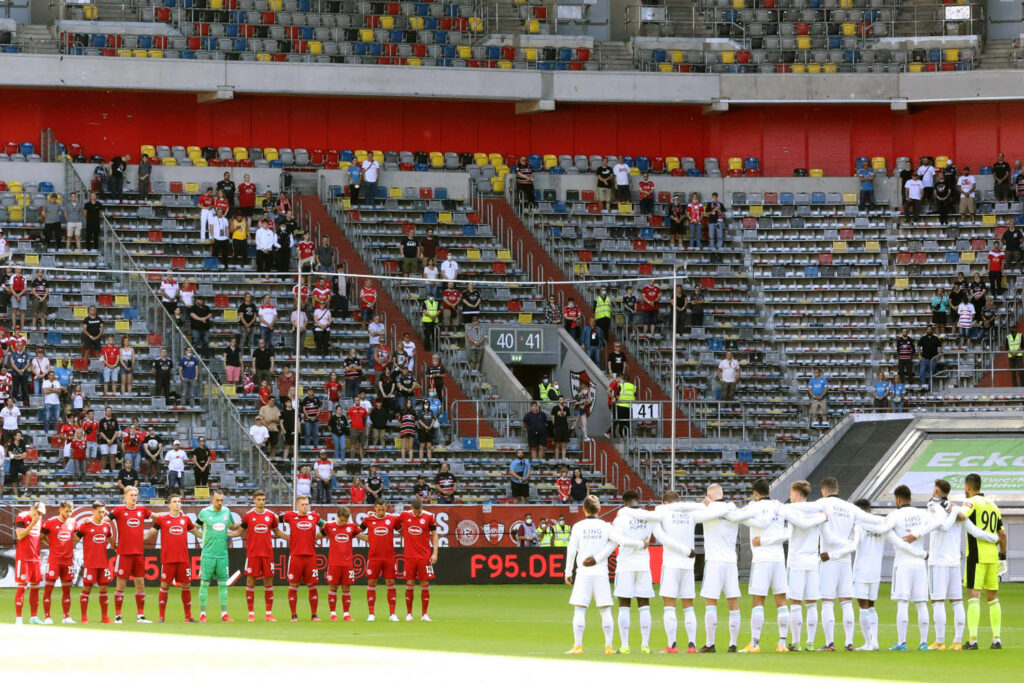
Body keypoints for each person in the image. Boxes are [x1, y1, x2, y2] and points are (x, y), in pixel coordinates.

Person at [563, 494, 646, 655]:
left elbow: (571, 550)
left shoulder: (578, 526)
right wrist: (640, 544)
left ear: (583, 509)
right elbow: (620, 540)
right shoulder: (606, 526)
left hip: (583, 572)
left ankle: (578, 646)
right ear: (599, 509)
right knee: (605, 609)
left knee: (580, 609)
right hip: (601, 573)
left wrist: (568, 572)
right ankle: (608, 646)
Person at [924, 479, 996, 651]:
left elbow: (942, 525)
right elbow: (975, 531)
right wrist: (994, 538)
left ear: (935, 490)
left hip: (938, 560)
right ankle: (957, 642)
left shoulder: (935, 506)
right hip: (955, 562)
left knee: (937, 601)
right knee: (957, 602)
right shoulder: (957, 509)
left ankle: (940, 641)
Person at [881, 485, 938, 651]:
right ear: (910, 498)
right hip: (920, 565)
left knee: (903, 603)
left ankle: (902, 642)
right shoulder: (922, 514)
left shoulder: (894, 515)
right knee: (921, 603)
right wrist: (918, 533)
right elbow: (937, 523)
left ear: (898, 499)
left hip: (903, 563)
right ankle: (924, 642)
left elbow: (885, 529)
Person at [774, 480, 827, 651]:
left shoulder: (790, 511)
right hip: (813, 561)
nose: (790, 497)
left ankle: (796, 642)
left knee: (796, 603)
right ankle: (810, 642)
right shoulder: (817, 511)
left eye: (791, 494)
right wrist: (822, 517)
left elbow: (800, 523)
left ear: (796, 493)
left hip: (796, 561)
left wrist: (780, 506)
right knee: (811, 603)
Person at [960, 473, 1007, 650]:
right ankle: (997, 639)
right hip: (993, 556)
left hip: (976, 555)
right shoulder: (993, 505)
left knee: (973, 595)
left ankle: (972, 640)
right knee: (993, 597)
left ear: (968, 487)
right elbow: (1002, 534)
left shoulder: (971, 502)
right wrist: (1003, 556)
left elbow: (962, 516)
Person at [147, 494, 200, 623]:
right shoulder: (162, 520)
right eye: (174, 502)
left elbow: (196, 533)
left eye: (179, 501)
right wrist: (135, 539)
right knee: (164, 586)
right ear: (169, 505)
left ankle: (188, 616)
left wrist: (211, 536)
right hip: (168, 559)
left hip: (183, 559)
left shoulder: (186, 520)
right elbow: (150, 534)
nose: (177, 503)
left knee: (186, 586)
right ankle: (161, 616)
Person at [242, 490, 289, 621]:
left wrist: (291, 538)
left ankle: (268, 613)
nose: (262, 502)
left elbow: (277, 532)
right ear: (254, 500)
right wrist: (225, 533)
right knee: (250, 582)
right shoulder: (248, 516)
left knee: (268, 583)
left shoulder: (270, 516)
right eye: (259, 499)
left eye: (263, 499)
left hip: (267, 554)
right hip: (253, 554)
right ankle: (251, 613)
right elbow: (239, 530)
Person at [109, 486, 154, 623]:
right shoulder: (118, 510)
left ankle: (140, 616)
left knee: (140, 583)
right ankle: (118, 616)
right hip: (124, 553)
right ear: (125, 496)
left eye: (136, 495)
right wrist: (91, 519)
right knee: (121, 584)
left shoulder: (142, 510)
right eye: (131, 495)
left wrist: (173, 512)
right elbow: (105, 520)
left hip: (138, 553)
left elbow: (157, 518)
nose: (134, 497)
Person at [278, 495, 321, 622]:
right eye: (303, 504)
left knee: (313, 585)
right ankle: (294, 614)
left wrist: (315, 537)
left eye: (307, 504)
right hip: (296, 556)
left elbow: (326, 527)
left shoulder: (314, 516)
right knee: (293, 585)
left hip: (311, 557)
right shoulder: (290, 516)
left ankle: (314, 614)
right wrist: (286, 537)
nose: (305, 506)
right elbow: (272, 521)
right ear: (297, 505)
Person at [322, 505, 365, 622]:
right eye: (341, 520)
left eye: (345, 520)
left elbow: (362, 536)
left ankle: (346, 614)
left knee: (346, 588)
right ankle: (333, 614)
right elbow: (318, 535)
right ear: (337, 517)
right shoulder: (329, 526)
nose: (343, 522)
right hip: (334, 563)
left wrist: (375, 540)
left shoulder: (351, 527)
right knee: (333, 587)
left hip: (348, 564)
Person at [360, 499, 400, 621]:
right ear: (374, 508)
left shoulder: (393, 519)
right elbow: (356, 532)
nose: (381, 512)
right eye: (379, 509)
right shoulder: (368, 520)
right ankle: (371, 613)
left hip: (389, 557)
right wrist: (369, 539)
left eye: (383, 509)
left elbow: (402, 531)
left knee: (390, 583)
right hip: (374, 557)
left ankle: (392, 614)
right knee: (371, 583)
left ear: (386, 507)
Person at [399, 496, 439, 621]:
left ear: (422, 507)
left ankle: (424, 614)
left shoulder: (429, 516)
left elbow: (435, 534)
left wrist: (435, 553)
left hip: (424, 556)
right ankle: (409, 614)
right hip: (410, 556)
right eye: (415, 512)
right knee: (409, 583)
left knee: (425, 583)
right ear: (411, 508)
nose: (417, 514)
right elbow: (389, 518)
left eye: (419, 511)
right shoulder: (405, 515)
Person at [76, 501, 114, 623]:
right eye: (99, 512)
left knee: (104, 590)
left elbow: (110, 538)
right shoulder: (85, 525)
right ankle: (84, 618)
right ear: (93, 511)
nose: (102, 514)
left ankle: (105, 617)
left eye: (103, 512)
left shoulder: (106, 526)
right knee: (87, 589)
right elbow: (74, 540)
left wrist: (117, 548)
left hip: (103, 563)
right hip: (90, 563)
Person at [40, 500, 76, 624]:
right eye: (67, 511)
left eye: (71, 511)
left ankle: (66, 617)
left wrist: (71, 545)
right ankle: (47, 617)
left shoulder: (73, 522)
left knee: (67, 590)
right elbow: (41, 536)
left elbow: (77, 535)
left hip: (68, 561)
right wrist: (51, 544)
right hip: (54, 561)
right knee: (48, 589)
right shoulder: (50, 522)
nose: (69, 513)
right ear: (60, 509)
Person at [13, 501, 45, 624]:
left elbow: (41, 537)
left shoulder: (40, 520)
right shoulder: (22, 516)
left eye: (41, 514)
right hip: (23, 558)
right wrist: (32, 523)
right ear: (32, 509)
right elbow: (20, 536)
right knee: (22, 588)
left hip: (35, 558)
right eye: (38, 512)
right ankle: (19, 618)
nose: (39, 515)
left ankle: (34, 617)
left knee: (36, 588)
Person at [919, 325, 942, 390]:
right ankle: (924, 386)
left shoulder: (936, 338)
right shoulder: (923, 338)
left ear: (932, 330)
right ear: (926, 330)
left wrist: (939, 355)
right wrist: (919, 356)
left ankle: (929, 387)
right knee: (921, 373)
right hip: (924, 359)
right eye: (928, 329)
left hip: (933, 359)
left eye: (930, 329)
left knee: (931, 374)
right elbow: (918, 346)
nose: (929, 330)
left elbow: (940, 347)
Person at [550, 396, 570, 460]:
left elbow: (568, 419)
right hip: (557, 428)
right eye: (560, 399)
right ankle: (557, 459)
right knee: (557, 445)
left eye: (562, 399)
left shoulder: (567, 408)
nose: (561, 400)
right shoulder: (555, 408)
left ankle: (563, 458)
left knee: (564, 445)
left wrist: (565, 423)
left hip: (565, 428)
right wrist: (555, 426)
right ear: (558, 400)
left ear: (564, 400)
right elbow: (552, 418)